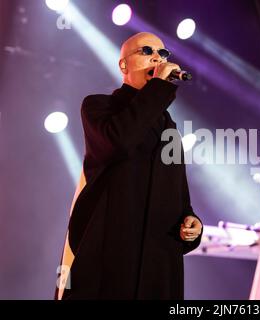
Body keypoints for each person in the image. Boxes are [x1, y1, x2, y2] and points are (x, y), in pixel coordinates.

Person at [56, 32, 203, 300]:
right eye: (147, 51)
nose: (158, 58)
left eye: (163, 53)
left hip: (156, 272)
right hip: (110, 263)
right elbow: (120, 141)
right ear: (123, 65)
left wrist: (192, 225)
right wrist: (159, 87)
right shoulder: (99, 106)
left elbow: (180, 198)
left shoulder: (170, 129)